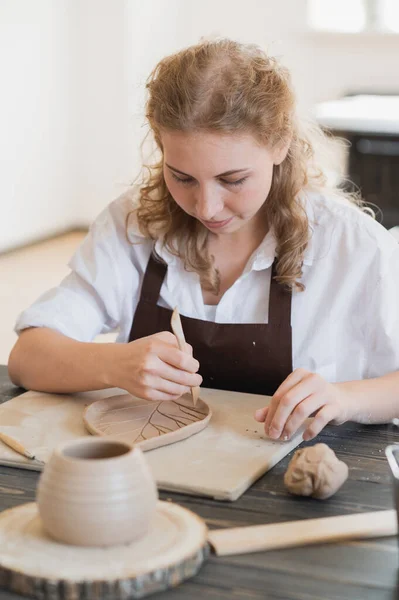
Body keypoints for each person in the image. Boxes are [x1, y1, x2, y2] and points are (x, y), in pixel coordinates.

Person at [8, 39, 399, 444]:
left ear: (280, 143)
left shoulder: (354, 247)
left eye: (233, 180)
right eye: (182, 177)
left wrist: (344, 397)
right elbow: (26, 359)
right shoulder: (133, 225)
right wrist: (111, 363)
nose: (207, 207)